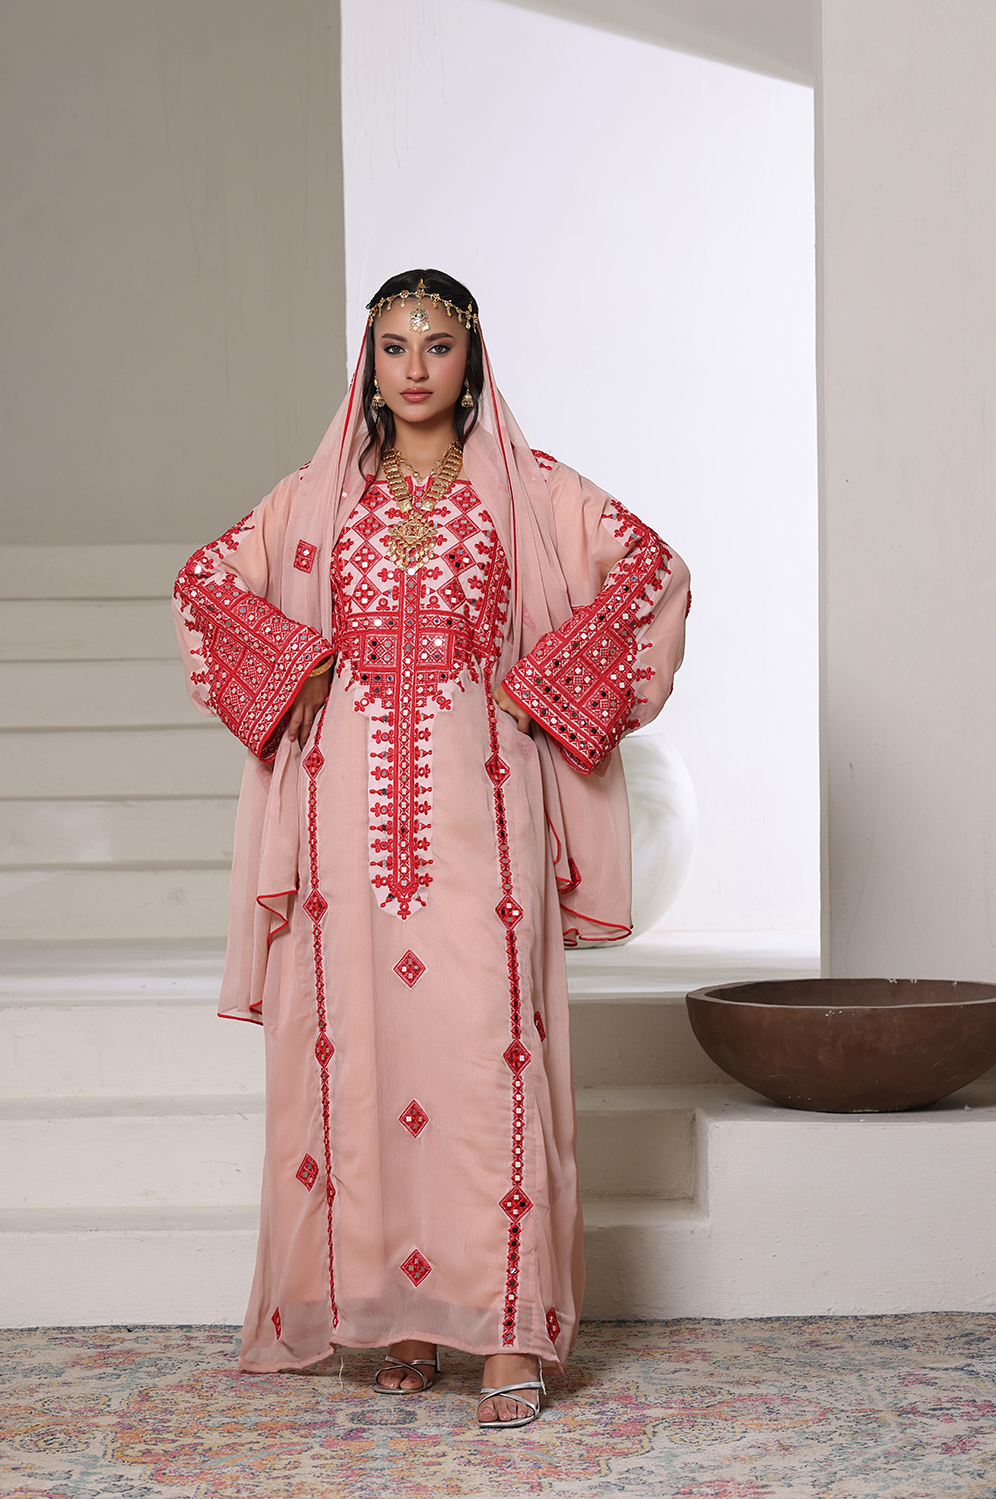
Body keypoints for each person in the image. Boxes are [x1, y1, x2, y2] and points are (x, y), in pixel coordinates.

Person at [173, 269, 690, 1427]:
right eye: (395, 344)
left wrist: (549, 682)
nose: (415, 366)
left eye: (437, 343)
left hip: (484, 801)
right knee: (366, 1046)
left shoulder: (530, 490)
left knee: (485, 1049)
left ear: (472, 358)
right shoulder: (316, 498)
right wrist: (294, 662)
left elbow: (652, 570)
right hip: (343, 811)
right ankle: (399, 1316)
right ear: (368, 360)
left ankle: (506, 1332)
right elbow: (202, 583)